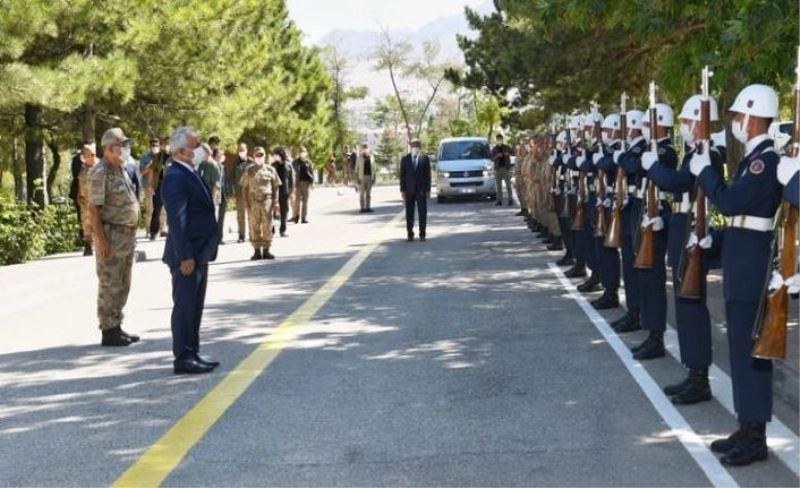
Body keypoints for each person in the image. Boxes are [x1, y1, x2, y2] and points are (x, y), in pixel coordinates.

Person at [690, 84, 782, 466]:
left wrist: (706, 173)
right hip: (741, 256)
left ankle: (756, 435)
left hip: (752, 264)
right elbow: (744, 218)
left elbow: (729, 201)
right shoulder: (752, 159)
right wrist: (715, 239)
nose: (734, 123)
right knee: (741, 348)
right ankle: (747, 426)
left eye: (737, 116)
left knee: (752, 351)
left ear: (752, 115)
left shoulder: (765, 162)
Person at [643, 94, 725, 404]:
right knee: (685, 303)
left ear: (700, 122)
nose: (685, 126)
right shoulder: (694, 152)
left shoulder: (708, 154)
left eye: (689, 121)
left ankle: (700, 376)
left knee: (692, 304)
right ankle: (694, 371)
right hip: (681, 227)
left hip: (691, 230)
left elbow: (677, 183)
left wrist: (653, 167)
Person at [162, 126, 220, 375]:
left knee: (195, 305)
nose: (200, 150)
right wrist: (185, 255)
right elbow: (177, 219)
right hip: (187, 254)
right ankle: (183, 356)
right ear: (182, 151)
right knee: (185, 305)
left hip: (199, 252)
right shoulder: (175, 175)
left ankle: (192, 351)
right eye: (196, 146)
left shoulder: (190, 171)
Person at [622, 102, 677, 361]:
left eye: (647, 124)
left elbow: (634, 166)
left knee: (653, 280)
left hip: (656, 218)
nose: (643, 128)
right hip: (642, 214)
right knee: (643, 275)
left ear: (661, 125)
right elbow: (630, 163)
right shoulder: (649, 150)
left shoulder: (665, 152)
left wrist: (634, 157)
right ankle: (649, 330)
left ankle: (656, 336)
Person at [88, 128, 141, 347]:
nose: (126, 149)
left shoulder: (120, 169)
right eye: (122, 145)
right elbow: (94, 209)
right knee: (110, 281)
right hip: (111, 234)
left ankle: (116, 324)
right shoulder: (100, 172)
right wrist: (100, 239)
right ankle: (108, 330)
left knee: (122, 281)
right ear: (110, 149)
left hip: (125, 235)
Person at [609, 109, 646, 334]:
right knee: (629, 266)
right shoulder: (632, 149)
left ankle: (638, 312)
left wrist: (621, 156)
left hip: (637, 209)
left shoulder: (643, 148)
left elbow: (633, 166)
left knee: (635, 265)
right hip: (628, 208)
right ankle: (633, 311)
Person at [241, 146, 281, 260]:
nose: (259, 157)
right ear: (253, 157)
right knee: (254, 226)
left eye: (261, 155)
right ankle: (257, 251)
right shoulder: (249, 170)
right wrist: (245, 202)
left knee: (267, 225)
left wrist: (276, 202)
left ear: (264, 156)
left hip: (267, 201)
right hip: (253, 202)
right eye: (257, 155)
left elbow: (276, 187)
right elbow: (244, 187)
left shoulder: (271, 169)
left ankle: (267, 250)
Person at [400, 138, 432, 241]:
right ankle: (410, 234)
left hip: (421, 190)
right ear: (411, 147)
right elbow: (402, 176)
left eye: (417, 145)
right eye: (413, 145)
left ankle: (422, 234)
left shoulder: (425, 159)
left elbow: (428, 175)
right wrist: (402, 190)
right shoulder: (405, 159)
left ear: (420, 147)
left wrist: (428, 190)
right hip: (409, 190)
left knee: (422, 212)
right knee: (409, 213)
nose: (415, 147)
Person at [77, 142, 97, 256]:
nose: (84, 157)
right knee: (86, 223)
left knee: (98, 223)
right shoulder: (83, 168)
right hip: (85, 201)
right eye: (83, 155)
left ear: (92, 155)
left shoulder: (99, 168)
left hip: (97, 201)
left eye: (86, 155)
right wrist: (78, 195)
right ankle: (88, 244)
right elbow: (80, 183)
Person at [139, 138, 161, 239]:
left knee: (162, 209)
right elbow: (142, 172)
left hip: (160, 185)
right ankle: (148, 229)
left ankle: (161, 229)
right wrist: (150, 165)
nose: (155, 147)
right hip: (148, 186)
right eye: (153, 145)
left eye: (156, 145)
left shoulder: (162, 157)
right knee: (150, 208)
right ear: (150, 146)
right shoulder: (145, 157)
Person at [272, 146, 295, 236]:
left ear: (280, 155)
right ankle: (272, 229)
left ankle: (283, 230)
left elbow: (291, 180)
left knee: (284, 211)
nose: (275, 156)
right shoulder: (273, 165)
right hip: (274, 191)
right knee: (273, 212)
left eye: (276, 154)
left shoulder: (288, 165)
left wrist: (291, 191)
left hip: (285, 191)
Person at [232, 143, 251, 243]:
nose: (241, 152)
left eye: (243, 150)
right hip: (239, 194)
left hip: (250, 193)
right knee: (240, 215)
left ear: (247, 150)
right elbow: (232, 177)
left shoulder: (251, 161)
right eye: (240, 150)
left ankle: (253, 234)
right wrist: (232, 192)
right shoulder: (235, 162)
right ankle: (241, 235)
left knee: (251, 215)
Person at [292, 146, 314, 224]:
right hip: (298, 184)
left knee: (305, 201)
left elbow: (311, 172)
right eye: (301, 152)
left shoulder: (309, 162)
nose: (302, 154)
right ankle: (296, 217)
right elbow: (292, 173)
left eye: (304, 152)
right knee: (297, 201)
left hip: (306, 184)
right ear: (299, 153)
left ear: (306, 153)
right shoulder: (295, 162)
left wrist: (312, 183)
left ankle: (304, 218)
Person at [491, 134, 514, 206]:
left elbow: (513, 153)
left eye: (500, 139)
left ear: (502, 139)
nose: (499, 141)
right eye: (498, 140)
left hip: (506, 168)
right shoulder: (494, 149)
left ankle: (510, 199)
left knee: (508, 185)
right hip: (498, 169)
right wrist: (497, 156)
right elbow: (491, 158)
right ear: (496, 140)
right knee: (498, 186)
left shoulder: (507, 147)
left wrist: (508, 154)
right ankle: (499, 200)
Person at [211, 148, 228, 243]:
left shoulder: (222, 167)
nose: (221, 156)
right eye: (219, 154)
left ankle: (220, 237)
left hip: (222, 194)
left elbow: (224, 181)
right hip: (214, 193)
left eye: (222, 154)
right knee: (214, 216)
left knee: (221, 218)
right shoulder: (212, 166)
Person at [355, 143, 375, 213]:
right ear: (362, 148)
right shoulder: (359, 157)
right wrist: (357, 179)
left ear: (368, 148)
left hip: (370, 177)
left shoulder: (371, 157)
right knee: (362, 194)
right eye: (364, 147)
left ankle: (368, 207)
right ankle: (362, 208)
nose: (365, 148)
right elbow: (356, 170)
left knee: (369, 194)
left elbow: (374, 169)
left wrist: (374, 178)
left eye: (366, 147)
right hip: (362, 177)